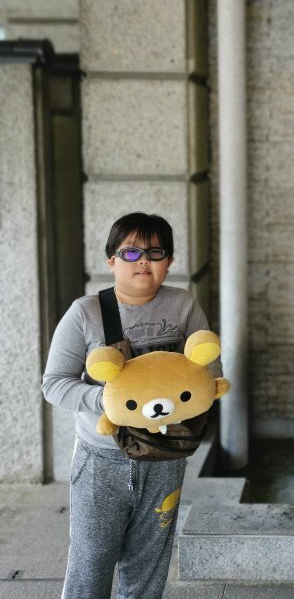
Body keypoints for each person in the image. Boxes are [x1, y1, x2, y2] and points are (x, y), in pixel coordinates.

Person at [42, 211, 219, 599]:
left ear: (169, 262)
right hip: (100, 459)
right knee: (91, 562)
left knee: (149, 563)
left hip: (166, 457)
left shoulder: (184, 306)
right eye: (131, 252)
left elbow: (209, 372)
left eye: (156, 252)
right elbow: (54, 385)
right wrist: (107, 401)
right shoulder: (85, 312)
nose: (144, 261)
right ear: (111, 261)